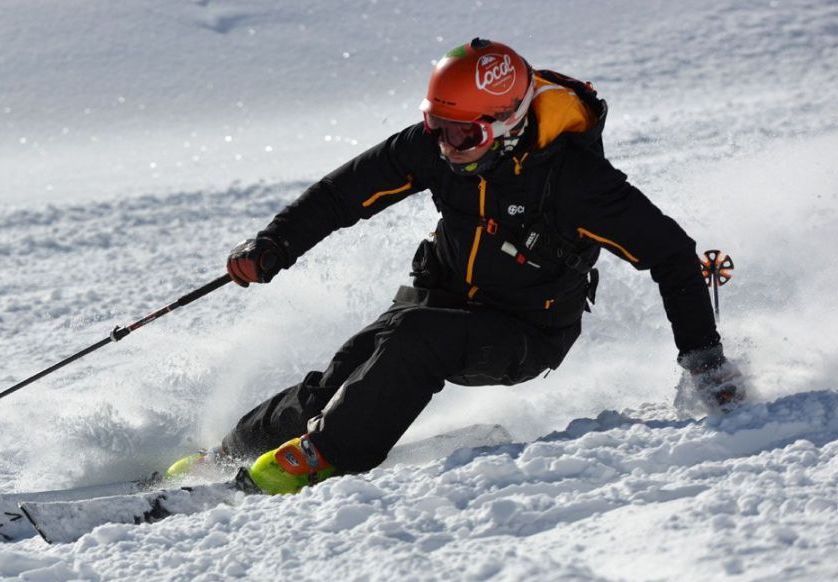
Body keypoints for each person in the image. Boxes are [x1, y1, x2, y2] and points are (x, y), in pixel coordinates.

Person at [171, 38, 743, 495]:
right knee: (348, 369)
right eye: (436, 127)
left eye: (462, 135)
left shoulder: (575, 183)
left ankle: (324, 457)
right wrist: (273, 245)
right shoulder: (441, 143)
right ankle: (228, 453)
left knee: (416, 341)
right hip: (438, 295)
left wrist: (705, 362)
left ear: (506, 121)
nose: (444, 146)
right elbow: (343, 193)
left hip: (526, 331)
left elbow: (671, 255)